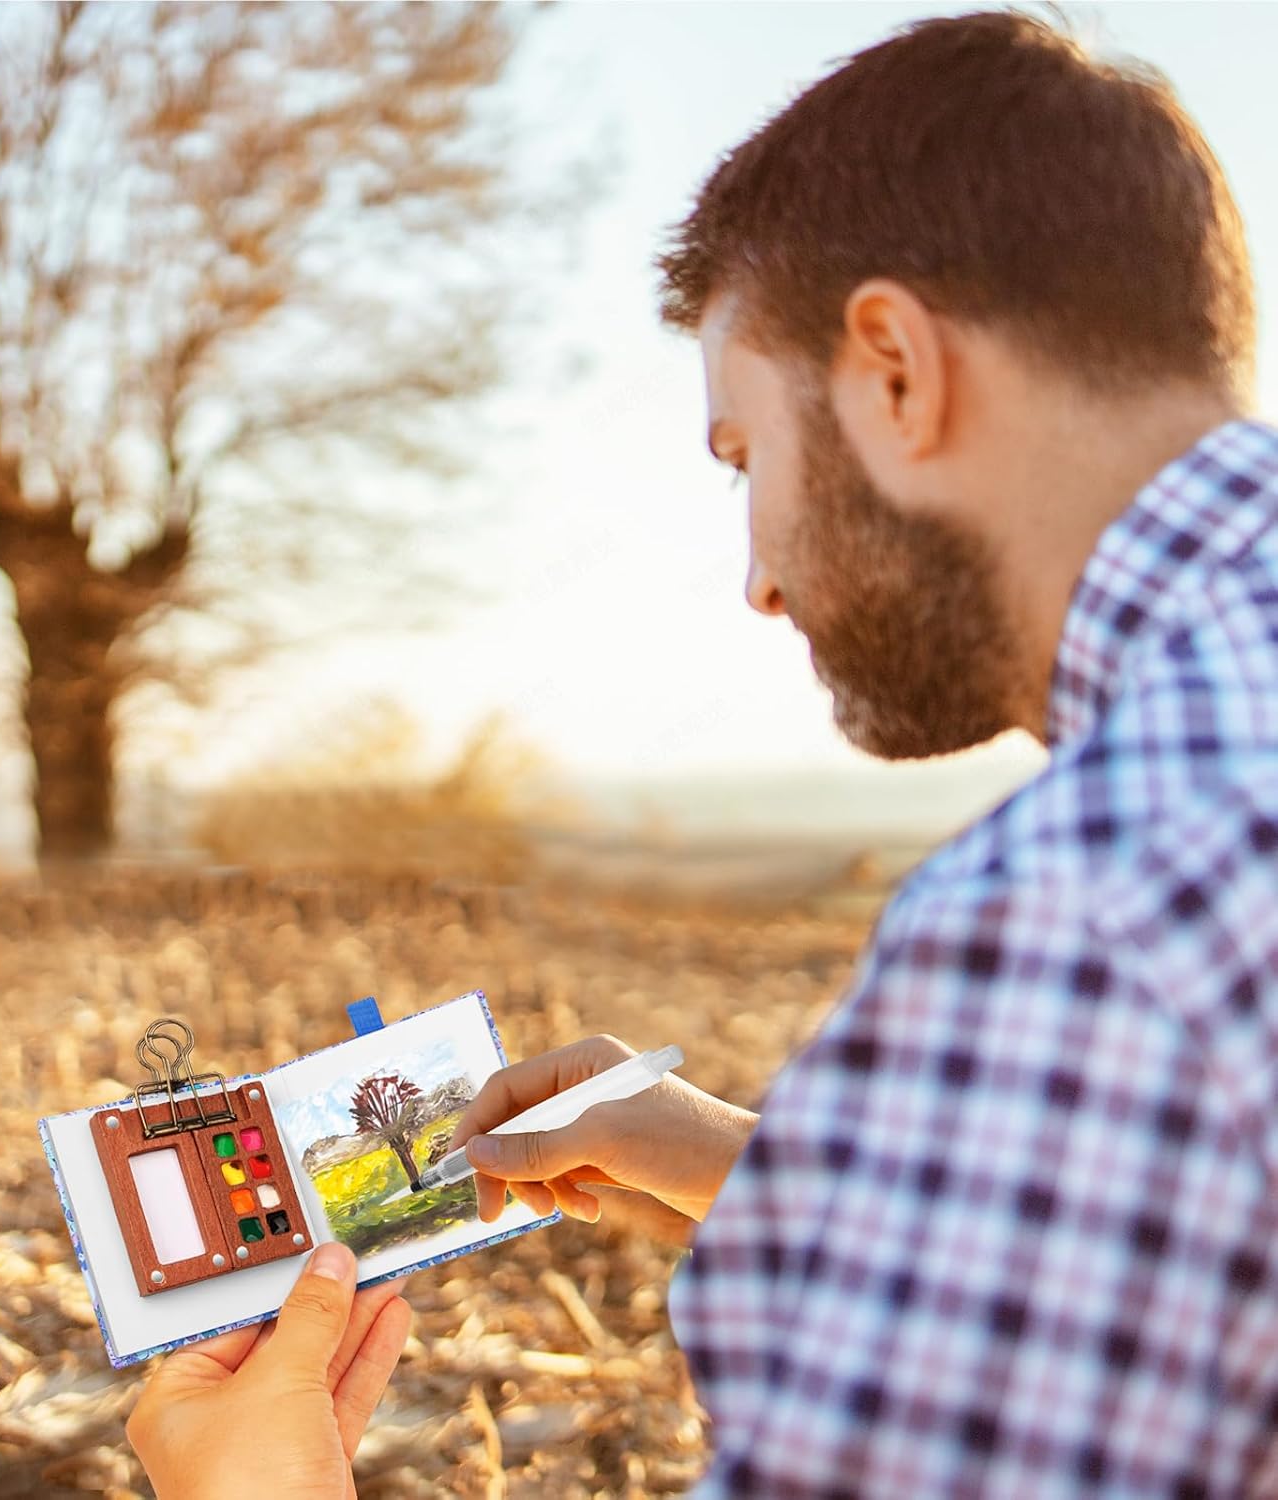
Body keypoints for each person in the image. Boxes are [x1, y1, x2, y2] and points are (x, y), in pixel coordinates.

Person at [129, 8, 1278, 1494]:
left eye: (747, 456)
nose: (759, 577)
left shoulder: (1078, 922)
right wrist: (762, 1166)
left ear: (896, 371)